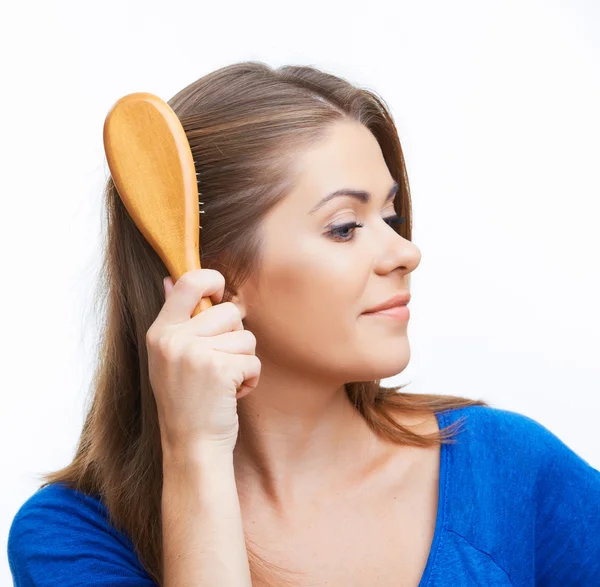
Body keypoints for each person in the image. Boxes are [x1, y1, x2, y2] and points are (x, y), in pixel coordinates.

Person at [7, 61, 600, 587]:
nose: (404, 252)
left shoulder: (508, 468)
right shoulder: (74, 534)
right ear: (211, 272)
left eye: (390, 215)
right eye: (345, 227)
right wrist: (195, 455)